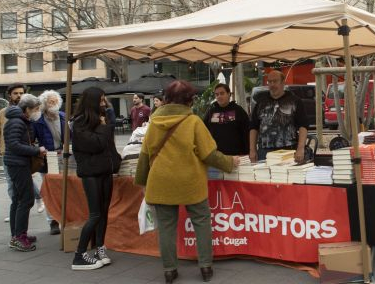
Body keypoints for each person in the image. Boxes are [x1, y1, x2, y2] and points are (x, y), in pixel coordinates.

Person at [135, 80, 239, 283]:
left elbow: (145, 155)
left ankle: (169, 270)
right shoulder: (193, 122)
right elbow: (209, 154)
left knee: (166, 228)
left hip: (161, 182)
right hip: (190, 182)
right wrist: (229, 162)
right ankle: (205, 267)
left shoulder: (154, 122)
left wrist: (142, 182)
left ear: (166, 99)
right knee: (201, 222)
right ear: (189, 100)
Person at [70, 87, 121, 270]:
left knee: (104, 212)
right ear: (92, 102)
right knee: (95, 214)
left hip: (105, 171)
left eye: (104, 100)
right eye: (101, 100)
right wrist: (103, 126)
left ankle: (100, 247)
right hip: (91, 173)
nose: (104, 103)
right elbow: (97, 144)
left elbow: (108, 145)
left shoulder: (101, 119)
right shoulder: (80, 122)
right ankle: (79, 255)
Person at [3, 94, 46, 252]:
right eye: (35, 109)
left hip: (17, 164)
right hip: (17, 164)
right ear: (26, 109)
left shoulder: (19, 120)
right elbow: (14, 145)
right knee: (26, 200)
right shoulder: (17, 122)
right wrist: (36, 150)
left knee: (18, 199)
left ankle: (17, 235)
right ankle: (19, 237)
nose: (37, 112)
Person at [249, 70, 308, 163]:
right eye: (269, 81)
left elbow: (303, 126)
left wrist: (301, 148)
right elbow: (253, 127)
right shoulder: (260, 102)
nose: (272, 84)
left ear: (283, 82)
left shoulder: (295, 101)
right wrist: (252, 150)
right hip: (264, 151)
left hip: (288, 150)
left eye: (275, 81)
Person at [31, 90, 64, 235]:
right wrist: (40, 149)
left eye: (56, 101)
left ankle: (66, 217)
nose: (54, 104)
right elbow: (32, 141)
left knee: (65, 189)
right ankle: (53, 221)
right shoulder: (38, 121)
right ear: (44, 104)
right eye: (51, 101)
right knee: (50, 191)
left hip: (64, 157)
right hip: (47, 159)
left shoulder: (63, 117)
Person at [0, 83, 26, 223]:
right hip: (7, 154)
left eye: (21, 93)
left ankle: (32, 202)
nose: (19, 96)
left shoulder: (26, 112)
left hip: (23, 154)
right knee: (10, 184)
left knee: (27, 184)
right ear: (10, 95)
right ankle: (15, 208)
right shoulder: (3, 112)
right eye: (16, 93)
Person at [203, 84, 250, 155]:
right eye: (217, 94)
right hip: (216, 156)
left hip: (236, 155)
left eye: (222, 93)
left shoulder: (238, 110)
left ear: (229, 94)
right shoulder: (211, 112)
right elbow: (204, 132)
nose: (219, 96)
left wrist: (247, 151)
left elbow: (247, 132)